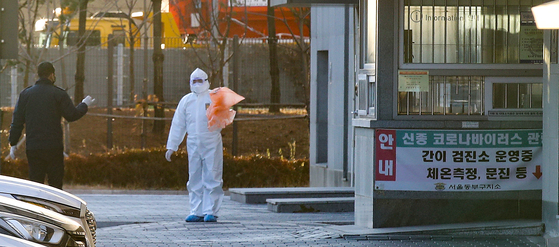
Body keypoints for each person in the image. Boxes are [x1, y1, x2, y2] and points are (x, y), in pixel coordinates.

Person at [8, 61, 95, 189]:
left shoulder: (25, 95)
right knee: (55, 186)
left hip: (33, 147)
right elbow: (72, 115)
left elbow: (17, 121)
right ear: (51, 75)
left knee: (36, 185)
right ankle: (53, 208)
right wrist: (84, 104)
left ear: (38, 75)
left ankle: (36, 208)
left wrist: (13, 142)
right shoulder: (58, 94)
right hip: (53, 147)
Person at [165, 68, 224, 223]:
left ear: (207, 81)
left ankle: (211, 210)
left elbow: (224, 116)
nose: (197, 84)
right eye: (194, 81)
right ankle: (196, 210)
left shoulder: (214, 97)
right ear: (190, 82)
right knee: (194, 176)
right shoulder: (186, 101)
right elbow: (178, 123)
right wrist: (172, 145)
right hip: (193, 142)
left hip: (211, 140)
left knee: (213, 174)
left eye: (200, 81)